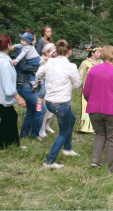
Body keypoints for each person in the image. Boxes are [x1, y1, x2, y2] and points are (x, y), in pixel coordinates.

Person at [82, 46, 113, 173]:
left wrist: (91, 101)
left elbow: (86, 91)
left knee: (100, 134)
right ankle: (108, 167)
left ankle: (95, 161)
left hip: (94, 110)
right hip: (112, 110)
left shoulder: (93, 70)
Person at [36, 39, 82, 169]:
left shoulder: (49, 62)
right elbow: (78, 84)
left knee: (72, 119)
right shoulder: (71, 66)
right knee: (63, 132)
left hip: (49, 102)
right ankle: (49, 161)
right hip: (62, 104)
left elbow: (39, 74)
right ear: (69, 51)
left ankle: (67, 148)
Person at [0, 34, 26, 153]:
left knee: (11, 117)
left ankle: (13, 144)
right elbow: (8, 86)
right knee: (7, 120)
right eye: (10, 43)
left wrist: (9, 49)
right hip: (0, 96)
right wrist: (19, 98)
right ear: (7, 45)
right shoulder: (4, 63)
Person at [15, 29, 47, 141]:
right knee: (41, 109)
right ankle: (34, 134)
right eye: (34, 38)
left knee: (31, 111)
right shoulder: (22, 50)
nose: (35, 40)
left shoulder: (29, 50)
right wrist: (38, 66)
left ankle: (24, 135)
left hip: (27, 84)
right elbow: (23, 67)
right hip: (24, 84)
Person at [76, 46, 103, 133]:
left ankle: (97, 126)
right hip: (89, 87)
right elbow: (80, 75)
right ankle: (85, 127)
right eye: (98, 52)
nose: (100, 54)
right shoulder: (85, 63)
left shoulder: (101, 62)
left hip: (99, 87)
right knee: (87, 106)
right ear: (92, 53)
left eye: (100, 52)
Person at [38, 43, 57, 138]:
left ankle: (47, 125)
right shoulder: (42, 60)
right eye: (53, 50)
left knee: (51, 109)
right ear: (47, 52)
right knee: (43, 109)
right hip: (43, 88)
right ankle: (41, 129)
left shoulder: (55, 60)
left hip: (52, 88)